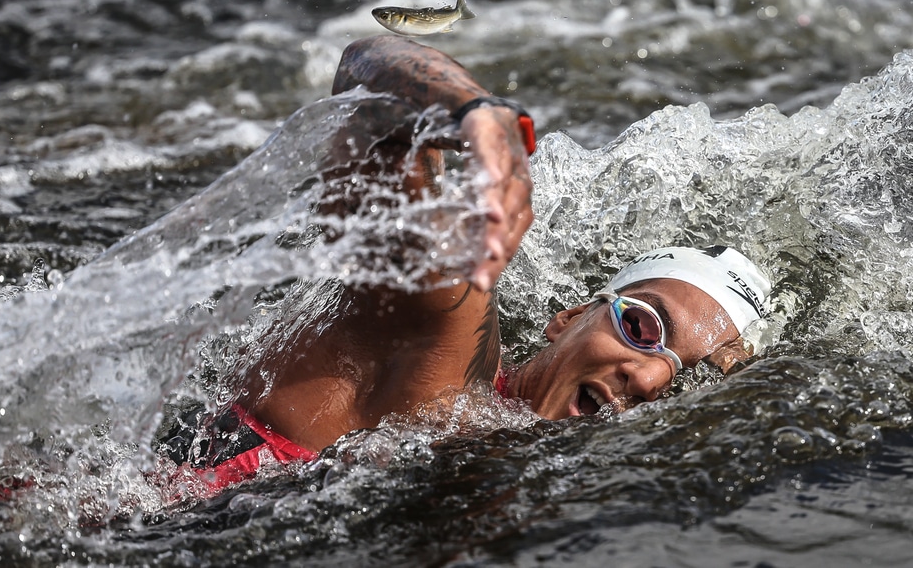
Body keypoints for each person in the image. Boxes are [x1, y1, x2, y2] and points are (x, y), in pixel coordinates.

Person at [156, 36, 772, 499]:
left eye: (684, 379)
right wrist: (476, 114)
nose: (650, 379)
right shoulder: (445, 341)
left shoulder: (529, 470)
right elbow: (366, 74)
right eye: (642, 328)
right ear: (571, 317)